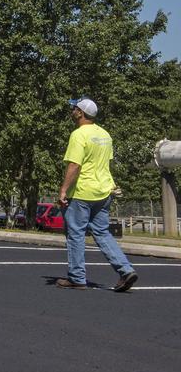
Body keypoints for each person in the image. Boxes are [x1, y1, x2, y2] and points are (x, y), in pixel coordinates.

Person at [56, 97, 137, 292]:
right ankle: (125, 270)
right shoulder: (105, 134)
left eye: (74, 108)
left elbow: (75, 165)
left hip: (83, 192)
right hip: (104, 190)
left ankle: (77, 277)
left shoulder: (78, 134)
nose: (72, 110)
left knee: (76, 234)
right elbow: (104, 162)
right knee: (102, 232)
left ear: (81, 113)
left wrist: (63, 190)